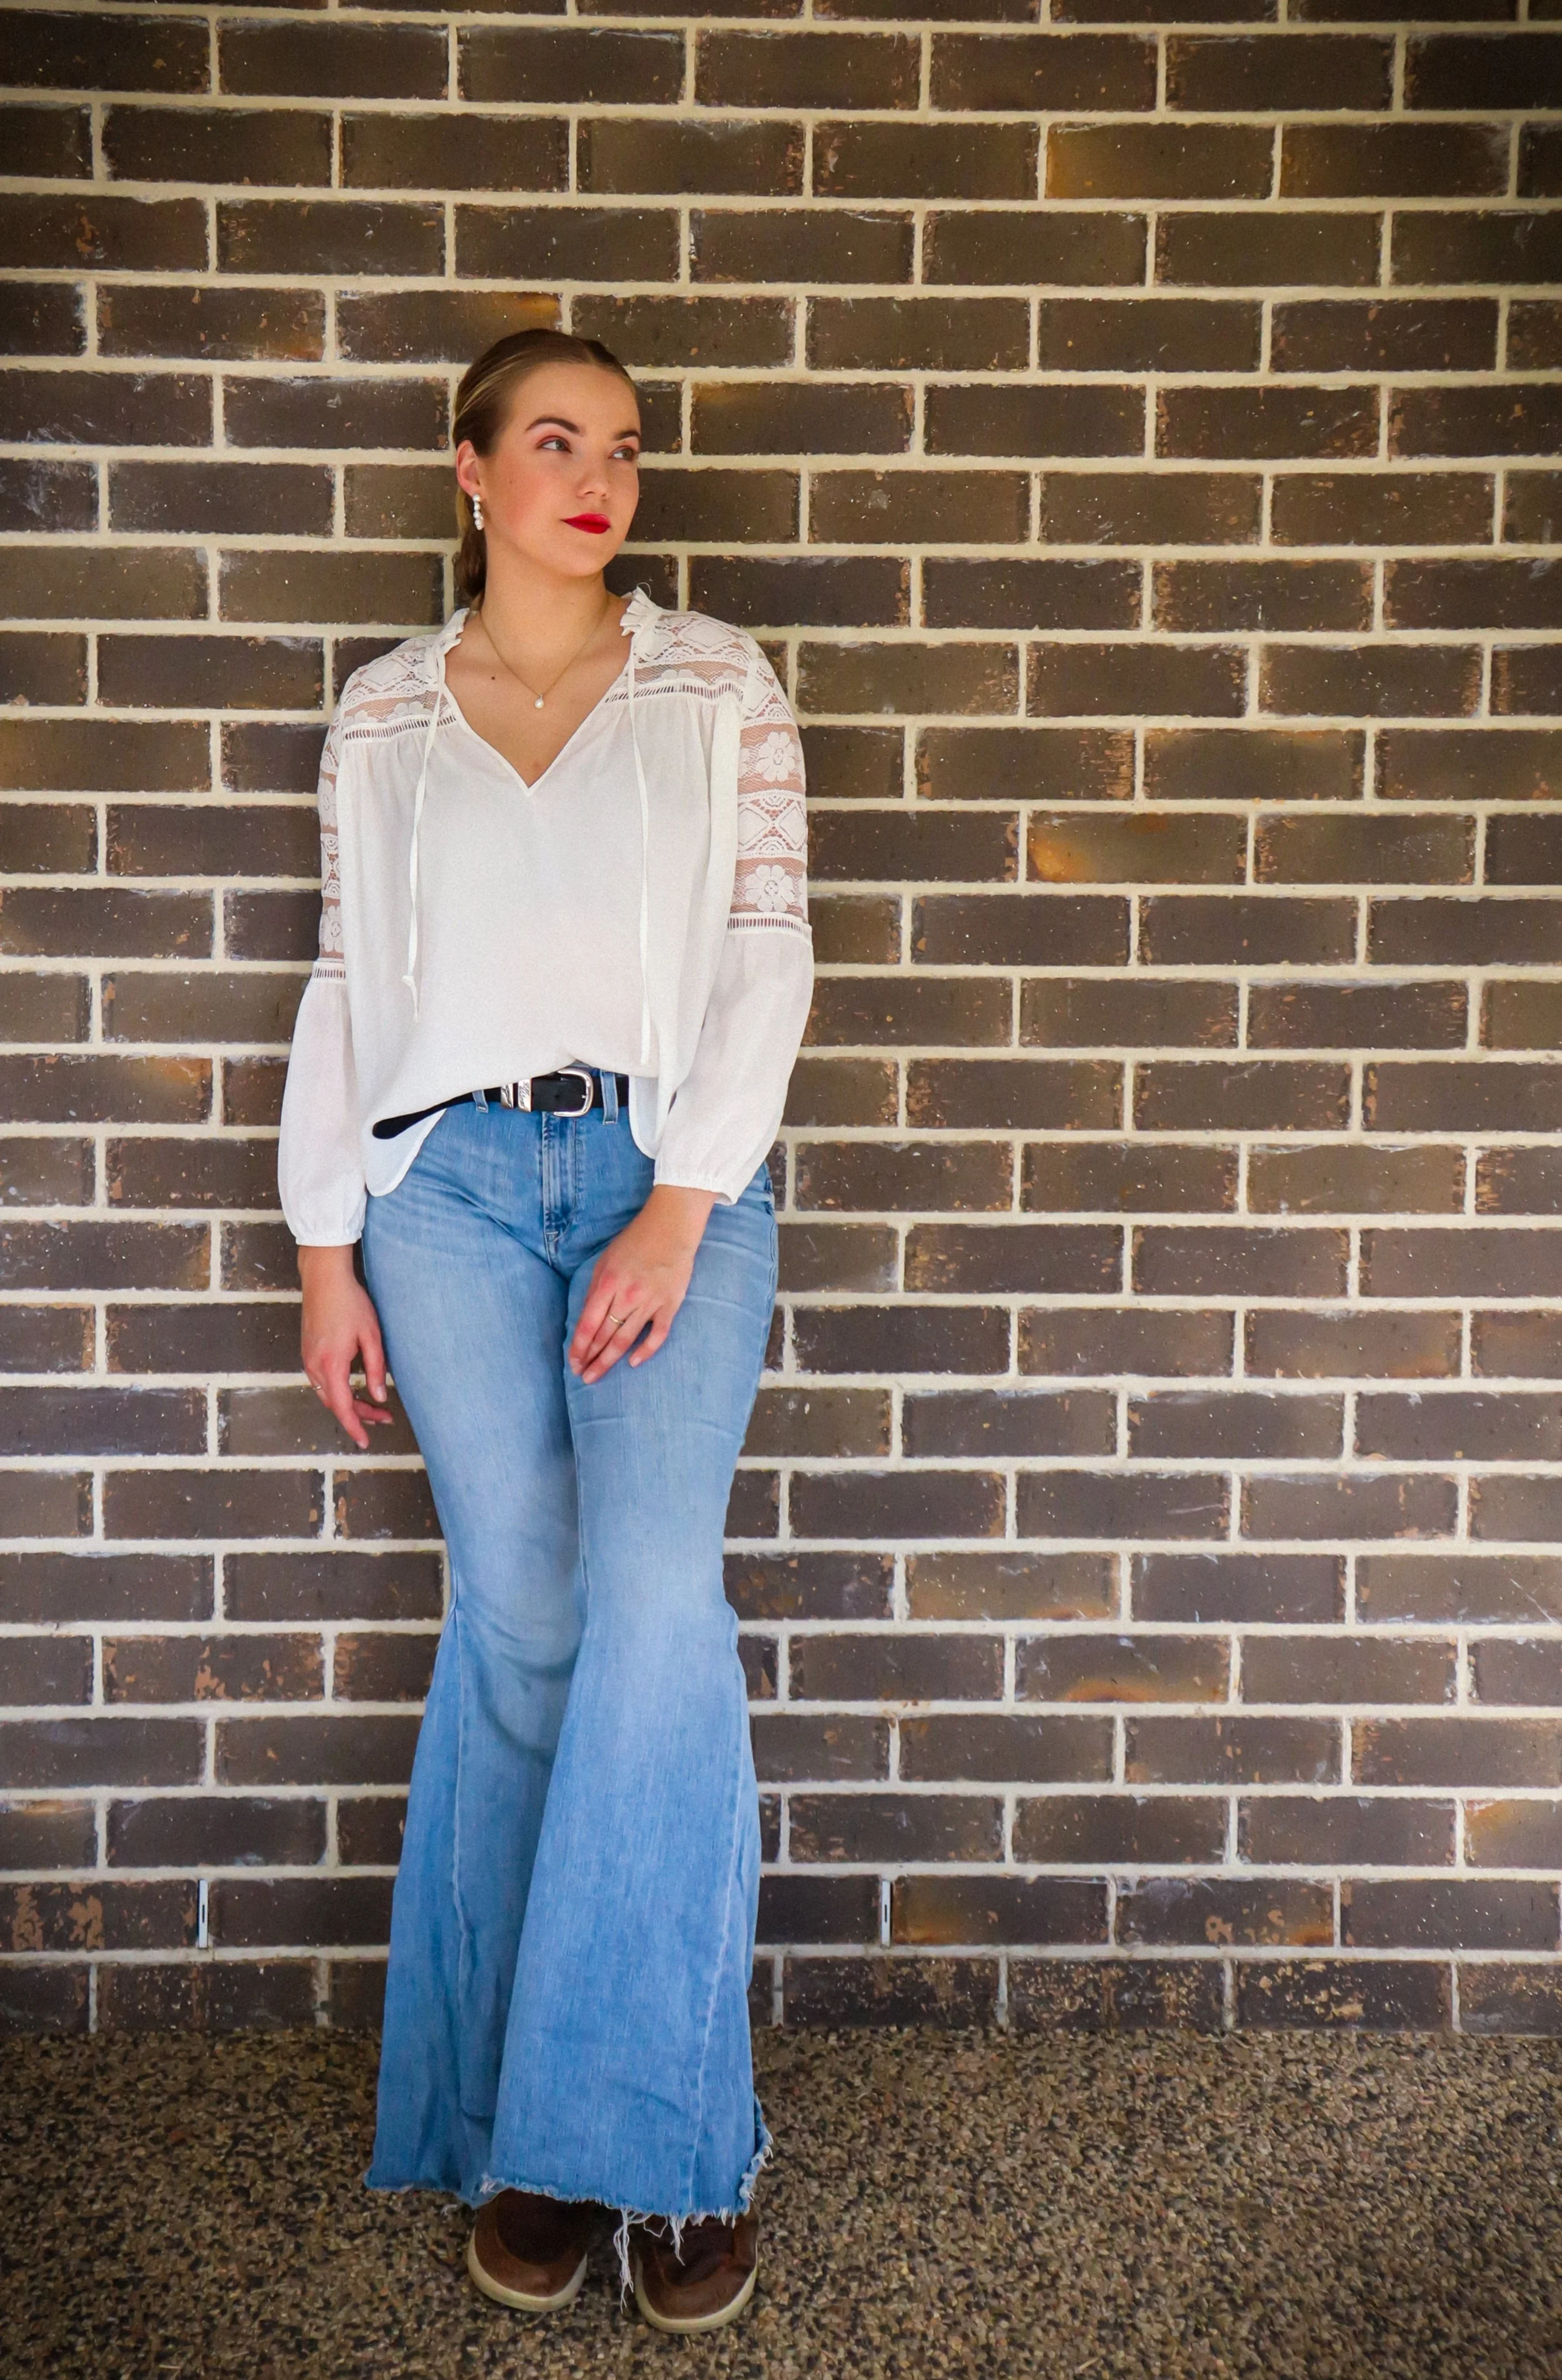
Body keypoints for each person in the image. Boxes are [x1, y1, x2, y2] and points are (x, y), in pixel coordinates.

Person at [276, 327, 812, 2334]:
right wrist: (328, 1244)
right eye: (558, 442)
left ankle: (667, 2148)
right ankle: (522, 2132)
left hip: (668, 1175)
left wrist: (680, 1210)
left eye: (627, 449)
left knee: (658, 1613)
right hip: (448, 1201)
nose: (601, 479)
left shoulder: (713, 686)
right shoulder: (385, 718)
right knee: (521, 1625)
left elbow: (769, 955)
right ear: (469, 472)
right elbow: (349, 981)